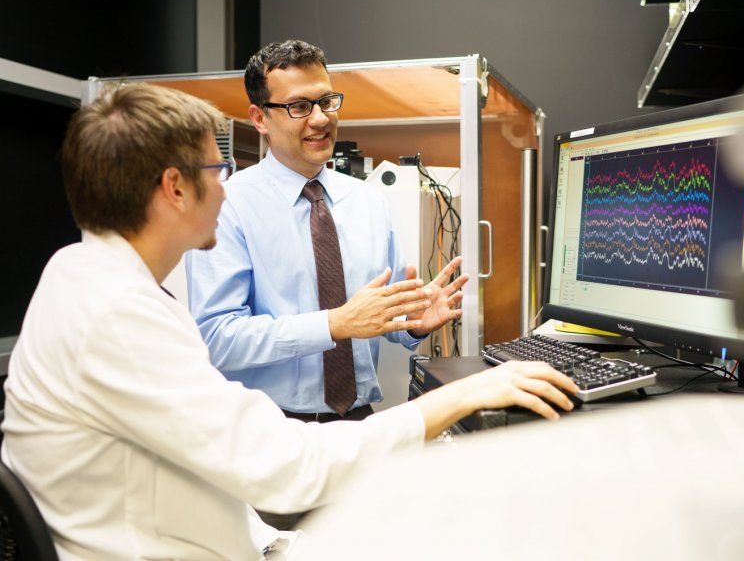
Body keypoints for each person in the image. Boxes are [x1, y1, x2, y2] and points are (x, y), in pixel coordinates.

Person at [0, 82, 578, 560]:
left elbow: (197, 460)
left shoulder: (81, 274)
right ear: (175, 187)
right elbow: (282, 464)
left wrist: (411, 324)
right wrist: (458, 396)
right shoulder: (115, 315)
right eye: (217, 167)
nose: (226, 187)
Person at [186, 40, 464, 421]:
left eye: (327, 102)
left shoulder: (367, 202)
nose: (320, 119)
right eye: (299, 107)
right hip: (270, 426)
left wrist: (415, 323)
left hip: (359, 418)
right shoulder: (227, 206)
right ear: (260, 118)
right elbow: (217, 338)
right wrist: (333, 325)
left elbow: (387, 318)